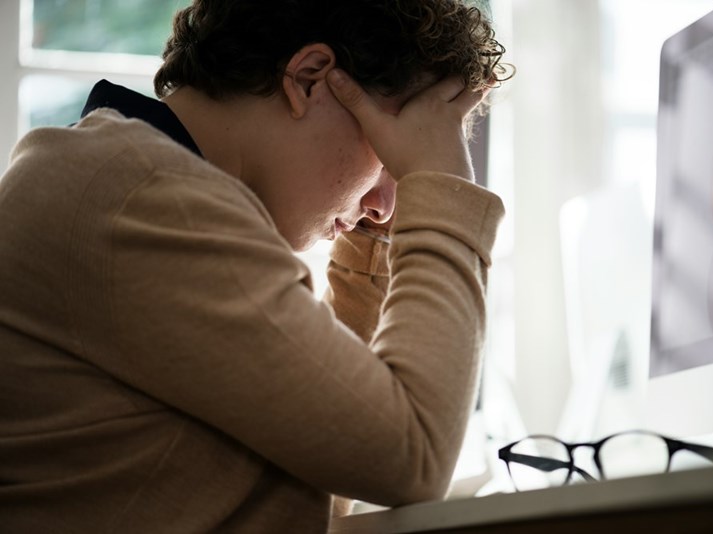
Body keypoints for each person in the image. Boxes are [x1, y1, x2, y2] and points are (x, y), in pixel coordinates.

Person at [0, 0, 509, 531]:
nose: (389, 202)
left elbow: (322, 470)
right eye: (390, 151)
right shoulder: (147, 200)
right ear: (311, 80)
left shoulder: (126, 180)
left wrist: (375, 240)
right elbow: (412, 459)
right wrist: (444, 187)